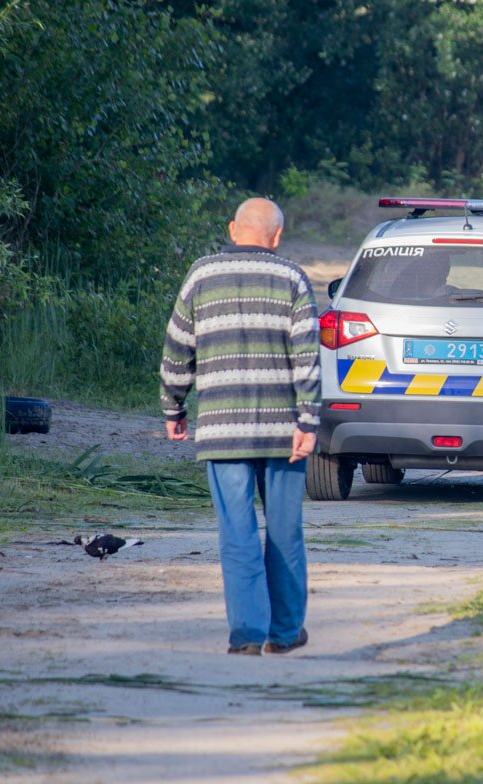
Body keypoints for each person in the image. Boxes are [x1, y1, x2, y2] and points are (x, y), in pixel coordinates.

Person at [160, 197, 321, 655]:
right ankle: (285, 633)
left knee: (237, 531)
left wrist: (174, 408)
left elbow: (176, 351)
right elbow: (307, 358)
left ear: (234, 230)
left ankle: (248, 634)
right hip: (283, 433)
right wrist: (309, 419)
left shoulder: (201, 275)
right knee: (285, 530)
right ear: (276, 237)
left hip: (222, 430)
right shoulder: (292, 278)